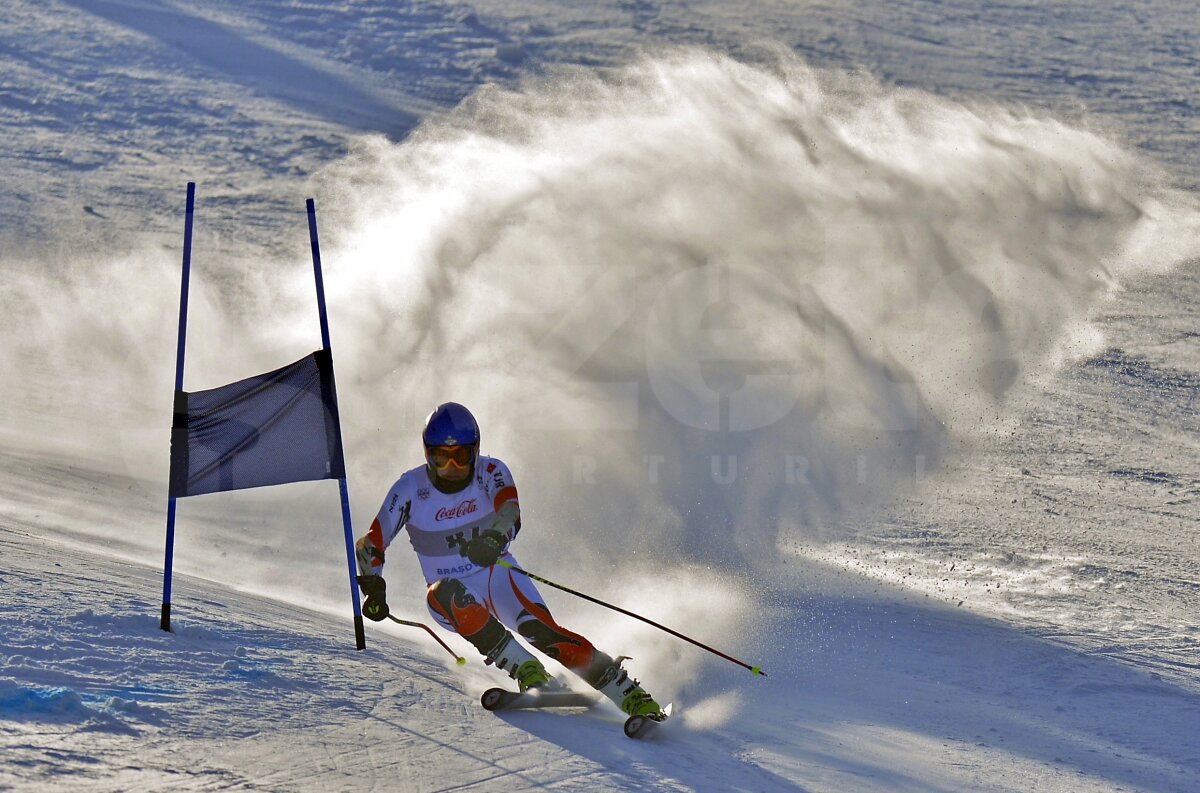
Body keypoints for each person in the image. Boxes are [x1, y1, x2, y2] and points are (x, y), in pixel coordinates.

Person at [354, 401, 663, 718]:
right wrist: (373, 587)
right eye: (440, 458)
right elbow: (371, 543)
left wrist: (494, 539)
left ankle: (632, 697)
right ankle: (528, 671)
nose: (451, 468)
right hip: (452, 594)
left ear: (474, 451)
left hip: (497, 575)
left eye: (460, 457)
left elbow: (510, 511)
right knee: (442, 594)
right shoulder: (409, 488)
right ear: (427, 453)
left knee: (544, 634)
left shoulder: (490, 472)